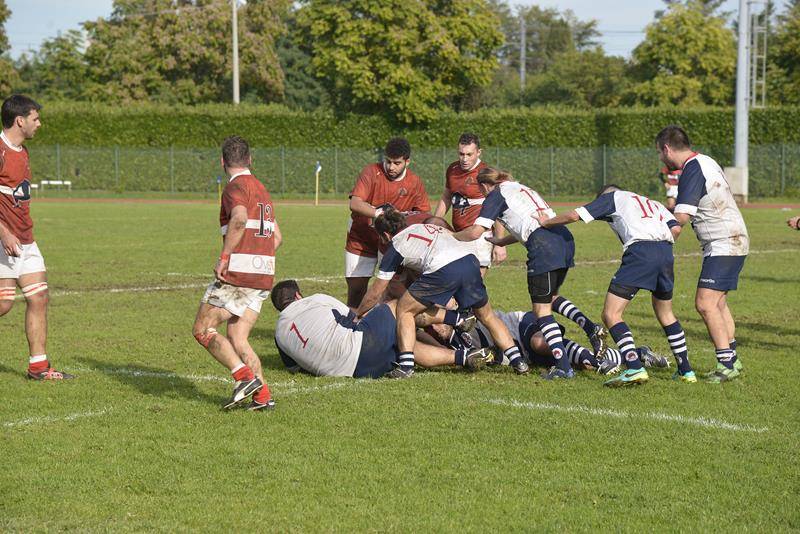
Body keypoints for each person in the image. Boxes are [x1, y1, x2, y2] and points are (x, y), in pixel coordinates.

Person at [537, 184, 693, 387]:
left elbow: (575, 215)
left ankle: (635, 367)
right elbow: (676, 228)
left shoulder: (612, 198)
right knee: (666, 313)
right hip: (665, 252)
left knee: (611, 314)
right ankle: (686, 371)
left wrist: (547, 222)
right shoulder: (652, 202)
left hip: (640, 252)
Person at [453, 168, 599, 380]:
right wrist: (503, 241)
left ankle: (563, 366)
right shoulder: (521, 187)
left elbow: (476, 231)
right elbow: (531, 223)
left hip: (543, 247)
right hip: (563, 240)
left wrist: (451, 236)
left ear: (485, 186)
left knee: (541, 310)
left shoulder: (495, 194)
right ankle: (591, 328)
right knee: (551, 298)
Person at [357, 208, 529, 378]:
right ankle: (518, 361)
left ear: (386, 235)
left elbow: (376, 291)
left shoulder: (396, 245)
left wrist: (358, 313)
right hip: (470, 261)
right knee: (488, 316)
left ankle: (406, 366)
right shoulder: (421, 226)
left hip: (444, 269)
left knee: (405, 309)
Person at [191, 136, 281, 410]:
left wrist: (225, 258)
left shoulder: (235, 188)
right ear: (250, 159)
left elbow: (239, 218)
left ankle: (243, 377)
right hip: (264, 273)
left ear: (222, 162)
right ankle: (262, 396)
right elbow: (277, 237)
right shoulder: (262, 189)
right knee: (238, 337)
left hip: (239, 272)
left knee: (202, 329)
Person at [656, 125, 749, 383]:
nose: (661, 159)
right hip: (730, 239)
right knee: (718, 303)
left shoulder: (692, 168)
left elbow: (682, 217)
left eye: (660, 153)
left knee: (705, 303)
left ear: (666, 148)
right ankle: (732, 357)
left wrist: (657, 234)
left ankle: (725, 363)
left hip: (725, 242)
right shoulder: (705, 160)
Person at [271, 280, 494, 377]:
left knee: (404, 343)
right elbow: (354, 317)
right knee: (401, 308)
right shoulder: (316, 298)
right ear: (299, 295)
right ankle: (457, 318)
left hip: (351, 371)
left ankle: (463, 357)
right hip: (359, 347)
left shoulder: (279, 332)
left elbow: (294, 369)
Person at [0, 95, 73, 380]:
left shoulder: (23, 151)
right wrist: (4, 232)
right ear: (20, 120)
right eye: (35, 118)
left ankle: (38, 367)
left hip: (26, 240)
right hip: (4, 240)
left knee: (39, 297)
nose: (39, 124)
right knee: (4, 304)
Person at [345, 137, 430, 307]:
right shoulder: (371, 172)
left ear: (407, 161)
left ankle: (385, 327)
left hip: (391, 242)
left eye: (397, 163)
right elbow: (355, 203)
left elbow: (423, 214)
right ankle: (350, 329)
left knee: (392, 290)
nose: (391, 167)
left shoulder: (414, 182)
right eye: (388, 161)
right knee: (356, 289)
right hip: (361, 237)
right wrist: (380, 213)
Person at [427, 310, 626, 376]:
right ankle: (634, 355)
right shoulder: (451, 347)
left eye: (436, 320)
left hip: (521, 325)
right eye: (430, 327)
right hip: (525, 356)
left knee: (540, 342)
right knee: (584, 365)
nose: (436, 327)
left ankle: (602, 362)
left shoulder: (462, 314)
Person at [433, 132, 506, 272]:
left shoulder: (486, 174)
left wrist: (500, 243)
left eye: (469, 154)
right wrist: (435, 221)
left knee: (474, 288)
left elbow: (497, 209)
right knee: (453, 283)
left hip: (480, 237)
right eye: (461, 154)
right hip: (457, 235)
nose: (464, 159)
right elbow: (447, 197)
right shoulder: (452, 169)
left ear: (479, 152)